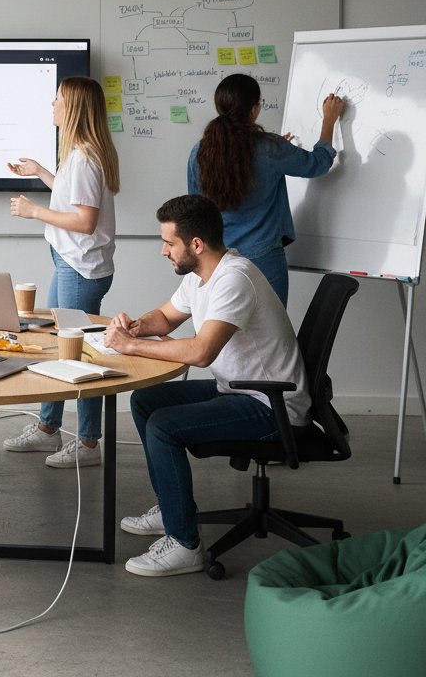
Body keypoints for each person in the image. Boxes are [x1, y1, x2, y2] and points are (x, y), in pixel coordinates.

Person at [104, 194, 310, 578]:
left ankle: (185, 545)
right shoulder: (202, 276)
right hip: (241, 388)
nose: (164, 251)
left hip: (270, 404)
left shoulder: (234, 279)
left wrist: (130, 346)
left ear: (196, 245)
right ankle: (171, 509)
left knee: (163, 427)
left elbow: (201, 353)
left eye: (169, 243)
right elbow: (165, 318)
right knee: (147, 401)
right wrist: (133, 327)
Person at [3, 75, 119, 468]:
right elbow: (72, 200)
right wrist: (40, 173)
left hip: (79, 269)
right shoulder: (80, 154)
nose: (51, 105)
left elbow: (85, 221)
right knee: (58, 347)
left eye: (57, 100)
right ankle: (48, 428)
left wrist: (34, 211)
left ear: (72, 108)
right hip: (72, 264)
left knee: (79, 355)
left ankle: (88, 444)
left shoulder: (85, 157)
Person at [188, 72, 345, 305]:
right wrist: (328, 121)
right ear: (254, 109)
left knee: (220, 334)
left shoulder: (199, 151)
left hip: (217, 259)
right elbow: (318, 163)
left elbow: (196, 207)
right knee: (272, 332)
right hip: (263, 258)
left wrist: (277, 151)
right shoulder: (270, 149)